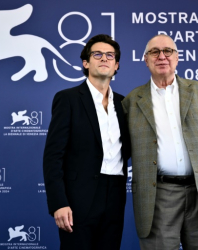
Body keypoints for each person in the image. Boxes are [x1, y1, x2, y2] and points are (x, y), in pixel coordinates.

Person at [122, 34, 198, 250]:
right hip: (157, 196)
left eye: (168, 51)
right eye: (154, 52)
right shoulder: (132, 101)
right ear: (145, 60)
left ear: (177, 57)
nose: (162, 56)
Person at [43, 34, 130, 250]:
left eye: (110, 55)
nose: (104, 59)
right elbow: (53, 156)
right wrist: (59, 203)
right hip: (77, 198)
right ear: (86, 62)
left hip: (115, 195)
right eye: (97, 54)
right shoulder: (68, 99)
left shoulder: (125, 103)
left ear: (116, 65)